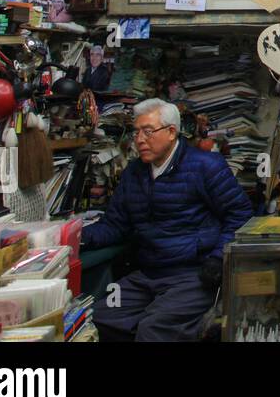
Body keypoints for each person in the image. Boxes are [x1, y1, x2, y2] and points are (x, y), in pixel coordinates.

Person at [85, 98, 252, 341]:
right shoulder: (134, 173)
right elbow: (115, 224)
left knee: (154, 329)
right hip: (147, 275)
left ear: (171, 132)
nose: (140, 139)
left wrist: (218, 259)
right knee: (96, 319)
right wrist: (77, 237)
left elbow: (240, 214)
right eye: (136, 132)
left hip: (193, 275)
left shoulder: (206, 166)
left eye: (148, 131)